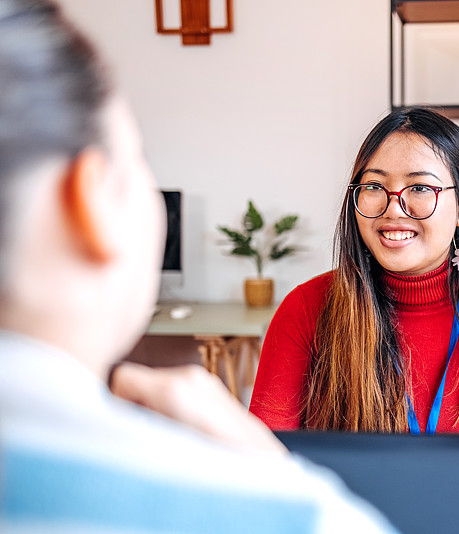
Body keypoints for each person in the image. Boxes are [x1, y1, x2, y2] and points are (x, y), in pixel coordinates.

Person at [0, 1, 396, 532]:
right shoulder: (278, 511)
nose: (395, 208)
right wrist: (270, 473)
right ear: (90, 202)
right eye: (139, 159)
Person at [249, 107, 459, 515]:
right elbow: (262, 452)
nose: (393, 208)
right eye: (374, 186)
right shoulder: (306, 307)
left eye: (420, 188)